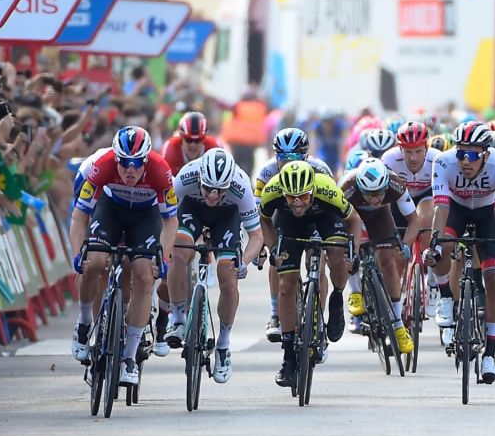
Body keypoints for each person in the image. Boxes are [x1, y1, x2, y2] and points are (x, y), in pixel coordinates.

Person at [69, 127, 179, 386]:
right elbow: (79, 216)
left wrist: (164, 258)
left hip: (145, 217)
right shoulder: (101, 166)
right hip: (111, 210)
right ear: (115, 159)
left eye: (137, 164)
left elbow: (170, 221)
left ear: (146, 160)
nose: (130, 170)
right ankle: (85, 321)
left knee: (144, 276)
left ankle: (129, 357)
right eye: (125, 164)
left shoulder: (160, 171)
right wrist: (77, 254)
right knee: (94, 262)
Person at [425, 121, 495, 384]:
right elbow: (440, 209)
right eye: (461, 153)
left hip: (489, 212)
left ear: (486, 154)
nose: (465, 160)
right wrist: (435, 245)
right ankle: (445, 298)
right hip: (456, 208)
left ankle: (489, 354)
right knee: (443, 247)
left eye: (473, 154)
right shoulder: (443, 162)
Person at [164, 149, 263, 383]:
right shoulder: (186, 176)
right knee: (178, 253)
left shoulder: (240, 186)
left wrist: (245, 262)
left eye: (219, 190)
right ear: (199, 178)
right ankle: (177, 317)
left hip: (227, 217)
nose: (212, 195)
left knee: (228, 277)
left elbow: (256, 236)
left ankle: (223, 345)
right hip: (191, 210)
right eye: (208, 188)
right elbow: (165, 217)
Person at [259, 161, 358, 388]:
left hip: (323, 219)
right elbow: (263, 220)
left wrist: (355, 252)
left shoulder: (326, 188)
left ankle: (336, 298)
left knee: (336, 253)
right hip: (288, 224)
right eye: (291, 197)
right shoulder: (271, 191)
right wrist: (273, 248)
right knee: (286, 285)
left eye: (303, 197)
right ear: (282, 192)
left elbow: (354, 220)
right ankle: (288, 357)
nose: (296, 202)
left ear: (312, 190)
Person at [254, 128, 334, 342]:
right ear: (275, 156)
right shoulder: (266, 174)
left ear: (305, 156)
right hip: (285, 217)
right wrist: (261, 246)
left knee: (317, 262)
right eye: (283, 157)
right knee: (277, 256)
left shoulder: (321, 170)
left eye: (295, 158)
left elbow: (332, 210)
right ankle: (275, 314)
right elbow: (259, 217)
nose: (288, 163)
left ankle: (317, 319)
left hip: (315, 217)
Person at [338, 158, 419, 354]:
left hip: (380, 217)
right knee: (350, 252)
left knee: (388, 262)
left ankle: (398, 324)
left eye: (379, 193)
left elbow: (414, 221)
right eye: (369, 194)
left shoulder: (395, 184)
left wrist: (406, 245)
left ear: (386, 185)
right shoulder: (347, 188)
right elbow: (338, 223)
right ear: (359, 187)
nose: (375, 199)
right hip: (351, 215)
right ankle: (356, 291)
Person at [384, 121, 442, 317]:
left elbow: (444, 198)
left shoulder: (437, 159)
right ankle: (397, 295)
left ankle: (431, 277)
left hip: (426, 195)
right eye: (408, 152)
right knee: (397, 254)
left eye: (418, 151)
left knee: (425, 218)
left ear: (426, 147)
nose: (413, 157)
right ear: (400, 149)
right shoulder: (389, 159)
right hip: (400, 197)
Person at [162, 111, 224, 175]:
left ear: (204, 138)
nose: (193, 145)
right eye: (188, 140)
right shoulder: (170, 148)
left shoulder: (215, 147)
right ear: (181, 137)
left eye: (198, 140)